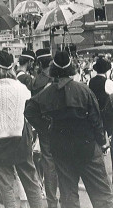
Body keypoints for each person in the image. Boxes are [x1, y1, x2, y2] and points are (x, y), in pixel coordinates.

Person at [25, 51, 113, 208]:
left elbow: (29, 110)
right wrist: (101, 142)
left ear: (54, 70)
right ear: (71, 68)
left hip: (61, 148)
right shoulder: (83, 90)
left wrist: (46, 129)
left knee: (68, 195)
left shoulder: (48, 93)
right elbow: (96, 120)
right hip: (87, 147)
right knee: (101, 195)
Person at [0, 50, 43, 208]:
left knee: (6, 185)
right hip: (20, 137)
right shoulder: (21, 88)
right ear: (11, 67)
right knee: (31, 182)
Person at [31, 48, 59, 208]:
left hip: (45, 126)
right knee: (62, 162)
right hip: (61, 125)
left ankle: (52, 202)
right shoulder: (59, 77)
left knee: (48, 163)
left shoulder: (37, 81)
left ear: (40, 64)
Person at [88, 56, 113, 181]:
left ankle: (99, 172)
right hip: (107, 117)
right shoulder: (108, 83)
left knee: (98, 143)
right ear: (107, 70)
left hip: (94, 115)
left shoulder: (90, 82)